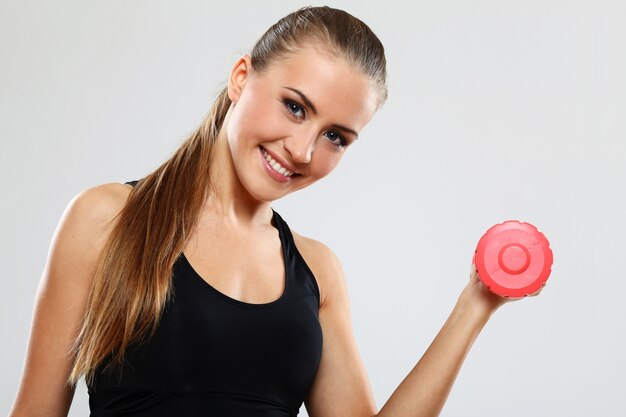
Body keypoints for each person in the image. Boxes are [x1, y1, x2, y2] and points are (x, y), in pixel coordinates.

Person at [9, 5, 539, 417]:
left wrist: (477, 302)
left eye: (335, 137)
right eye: (295, 106)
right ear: (242, 76)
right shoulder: (106, 220)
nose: (303, 151)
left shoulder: (316, 271)